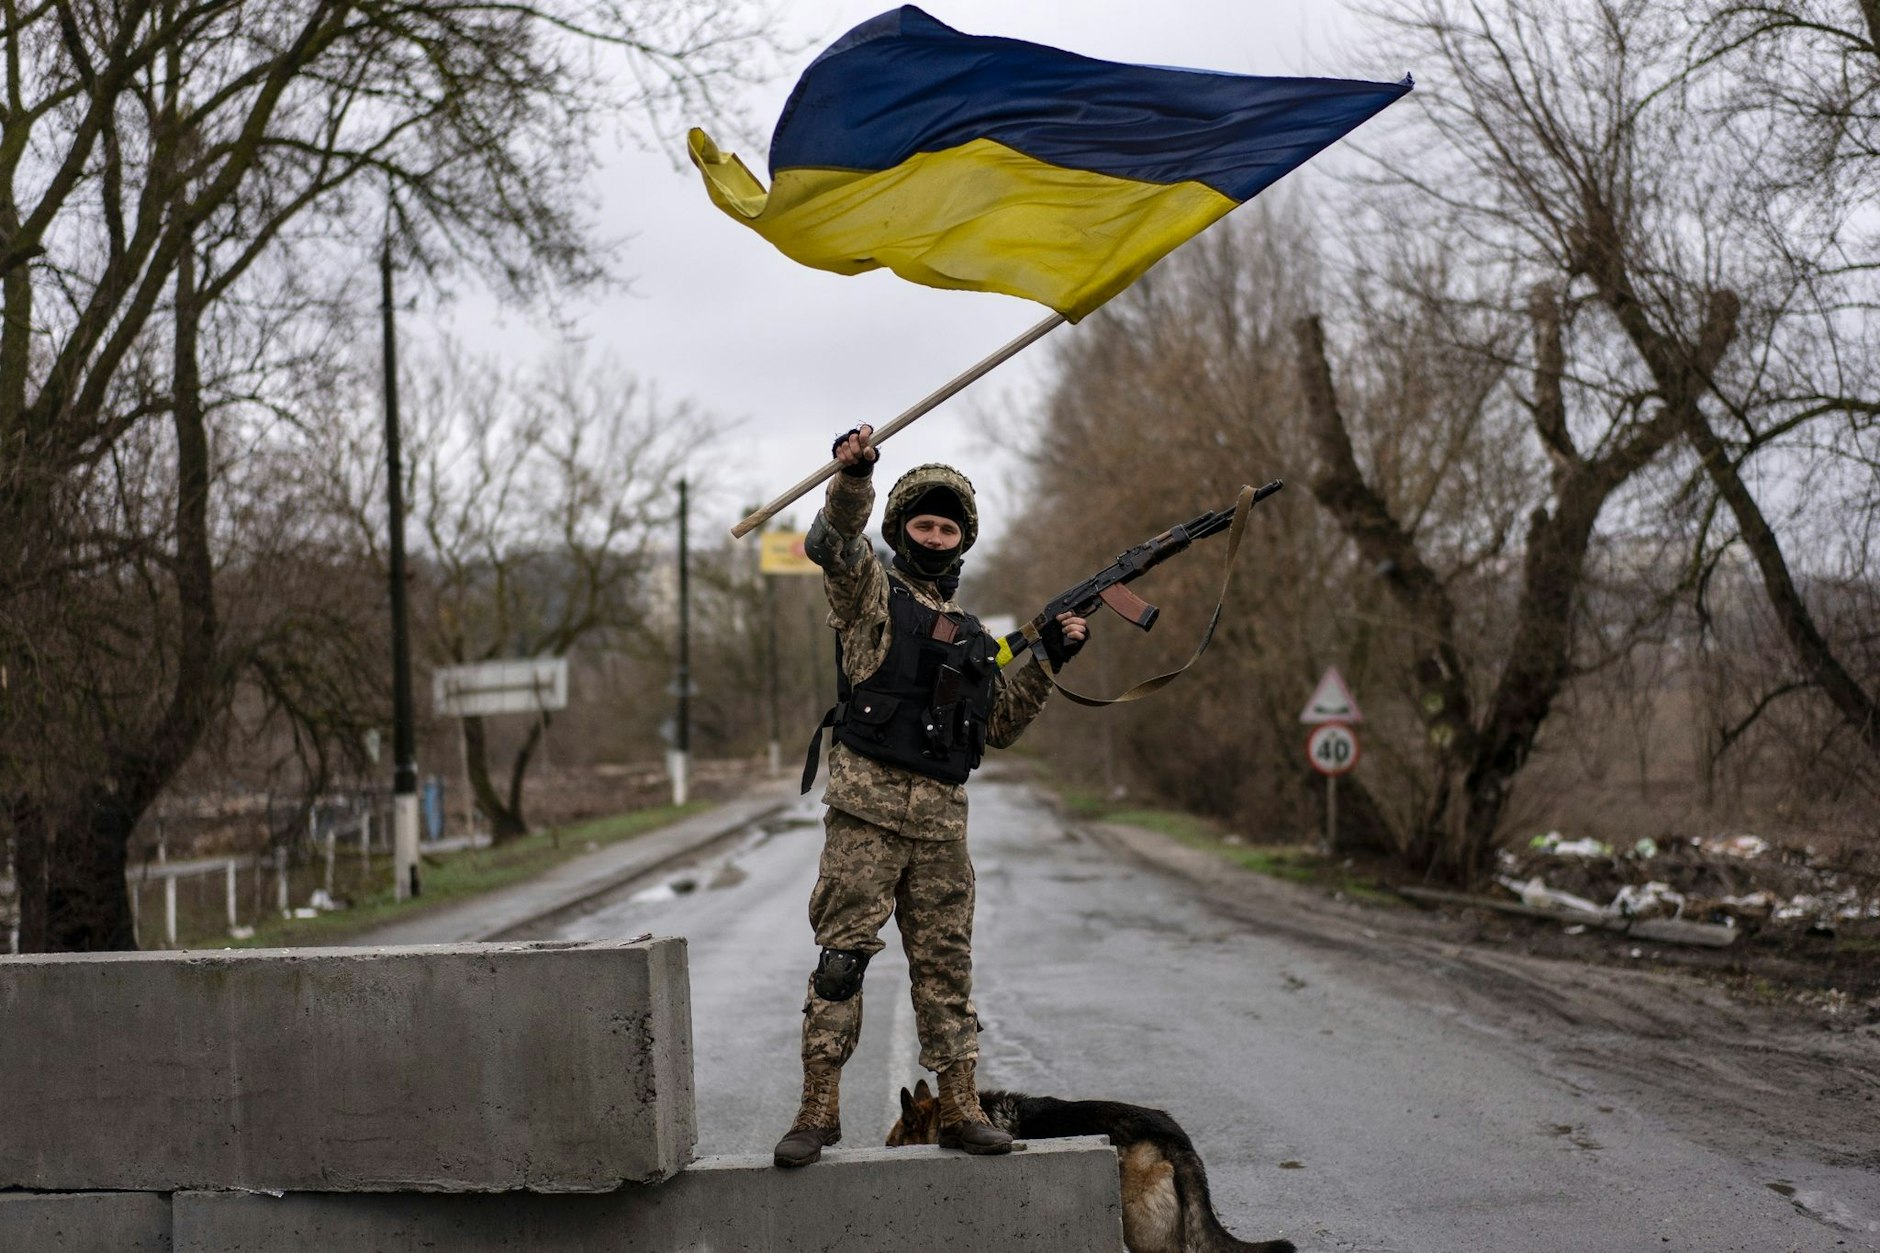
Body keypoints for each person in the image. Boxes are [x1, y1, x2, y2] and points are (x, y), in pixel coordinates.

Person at [773, 423, 1089, 1168]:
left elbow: (1000, 725)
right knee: (842, 961)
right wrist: (854, 477)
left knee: (946, 969)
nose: (937, 535)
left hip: (942, 826)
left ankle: (958, 1105)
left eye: (949, 526)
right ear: (901, 528)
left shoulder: (976, 636)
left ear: (963, 539)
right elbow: (833, 547)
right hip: (865, 816)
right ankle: (818, 1108)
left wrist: (1050, 658)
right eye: (924, 522)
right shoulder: (869, 594)